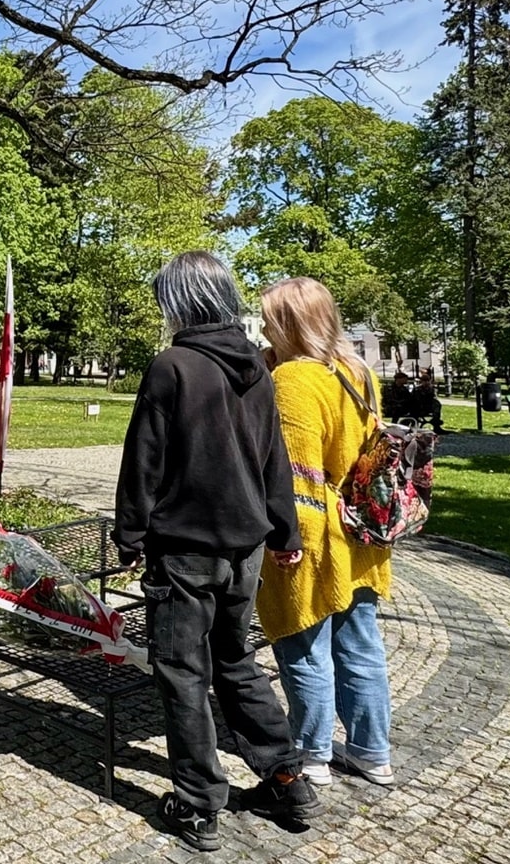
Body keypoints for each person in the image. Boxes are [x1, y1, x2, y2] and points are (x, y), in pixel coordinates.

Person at [114, 251, 319, 852]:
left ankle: (199, 803)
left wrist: (130, 534)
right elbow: (273, 460)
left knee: (182, 671)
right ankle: (286, 777)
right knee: (235, 661)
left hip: (185, 548)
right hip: (245, 547)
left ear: (180, 303)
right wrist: (284, 533)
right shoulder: (257, 369)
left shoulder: (172, 366)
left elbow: (143, 461)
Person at [256, 277, 396, 790]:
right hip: (361, 532)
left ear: (289, 324)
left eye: (270, 319)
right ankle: (372, 752)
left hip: (315, 537)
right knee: (361, 646)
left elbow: (297, 476)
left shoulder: (295, 379)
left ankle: (312, 754)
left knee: (304, 647)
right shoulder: (359, 373)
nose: (264, 328)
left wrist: (286, 540)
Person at [412, 367, 446, 433]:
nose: (426, 382)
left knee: (437, 404)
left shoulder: (432, 389)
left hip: (430, 407)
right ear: (421, 381)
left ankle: (436, 423)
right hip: (419, 408)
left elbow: (434, 398)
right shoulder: (417, 389)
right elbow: (415, 399)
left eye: (427, 380)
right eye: (424, 381)